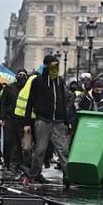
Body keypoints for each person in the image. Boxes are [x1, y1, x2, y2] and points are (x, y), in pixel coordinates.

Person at [23, 55, 69, 187]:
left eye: (57, 65)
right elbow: (30, 102)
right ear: (47, 66)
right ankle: (33, 176)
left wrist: (66, 121)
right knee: (40, 149)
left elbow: (63, 101)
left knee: (63, 149)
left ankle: (68, 176)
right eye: (53, 65)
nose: (55, 68)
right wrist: (27, 123)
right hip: (43, 119)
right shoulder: (38, 81)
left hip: (58, 121)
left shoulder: (60, 81)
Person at [1, 68, 27, 173]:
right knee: (8, 141)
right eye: (20, 74)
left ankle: (17, 164)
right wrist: (2, 118)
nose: (22, 76)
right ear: (16, 76)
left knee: (20, 142)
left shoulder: (27, 88)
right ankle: (6, 162)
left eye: (24, 75)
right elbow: (2, 103)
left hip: (22, 118)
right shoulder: (9, 88)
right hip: (10, 118)